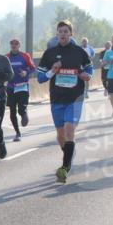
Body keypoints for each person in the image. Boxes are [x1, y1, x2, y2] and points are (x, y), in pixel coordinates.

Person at [37, 20, 93, 183]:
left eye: (66, 31)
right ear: (56, 34)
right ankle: (69, 152)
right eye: (60, 31)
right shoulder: (49, 54)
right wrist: (52, 71)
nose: (63, 34)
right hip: (57, 98)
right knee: (61, 135)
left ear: (71, 34)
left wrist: (87, 75)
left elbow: (89, 69)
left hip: (75, 97)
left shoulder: (79, 52)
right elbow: (40, 78)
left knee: (69, 130)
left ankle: (65, 167)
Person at [5, 38, 37, 141]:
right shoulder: (6, 57)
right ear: (10, 45)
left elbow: (33, 68)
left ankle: (24, 113)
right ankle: (17, 133)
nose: (14, 45)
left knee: (21, 109)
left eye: (16, 44)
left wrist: (25, 72)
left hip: (22, 86)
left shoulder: (25, 56)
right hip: (11, 87)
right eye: (12, 44)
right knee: (12, 110)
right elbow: (3, 70)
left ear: (19, 45)